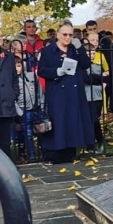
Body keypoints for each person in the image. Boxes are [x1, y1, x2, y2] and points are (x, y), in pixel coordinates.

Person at [37, 21, 95, 164]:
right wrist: (56, 71)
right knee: (59, 121)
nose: (67, 37)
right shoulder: (48, 51)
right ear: (58, 35)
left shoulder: (74, 49)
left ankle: (71, 151)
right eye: (64, 34)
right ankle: (55, 154)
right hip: (57, 91)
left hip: (74, 92)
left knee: (72, 121)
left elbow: (86, 64)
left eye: (70, 35)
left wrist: (80, 47)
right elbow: (41, 70)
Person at [14, 55, 43, 163]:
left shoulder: (30, 76)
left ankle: (43, 151)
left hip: (35, 107)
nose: (17, 69)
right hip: (23, 109)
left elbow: (38, 89)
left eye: (18, 66)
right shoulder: (13, 80)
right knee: (28, 133)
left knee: (40, 130)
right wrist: (19, 111)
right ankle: (31, 155)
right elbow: (12, 97)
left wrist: (40, 102)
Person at [83, 34, 109, 154]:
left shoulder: (97, 65)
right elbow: (86, 79)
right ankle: (90, 143)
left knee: (94, 119)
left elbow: (105, 77)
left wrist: (98, 79)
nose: (92, 56)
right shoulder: (82, 67)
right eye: (89, 54)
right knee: (88, 120)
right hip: (86, 95)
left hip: (97, 95)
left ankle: (99, 140)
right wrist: (99, 78)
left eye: (93, 53)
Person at [0, 33, 20, 159]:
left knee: (5, 140)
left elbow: (14, 78)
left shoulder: (9, 56)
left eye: (0, 37)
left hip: (5, 102)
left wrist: (14, 93)